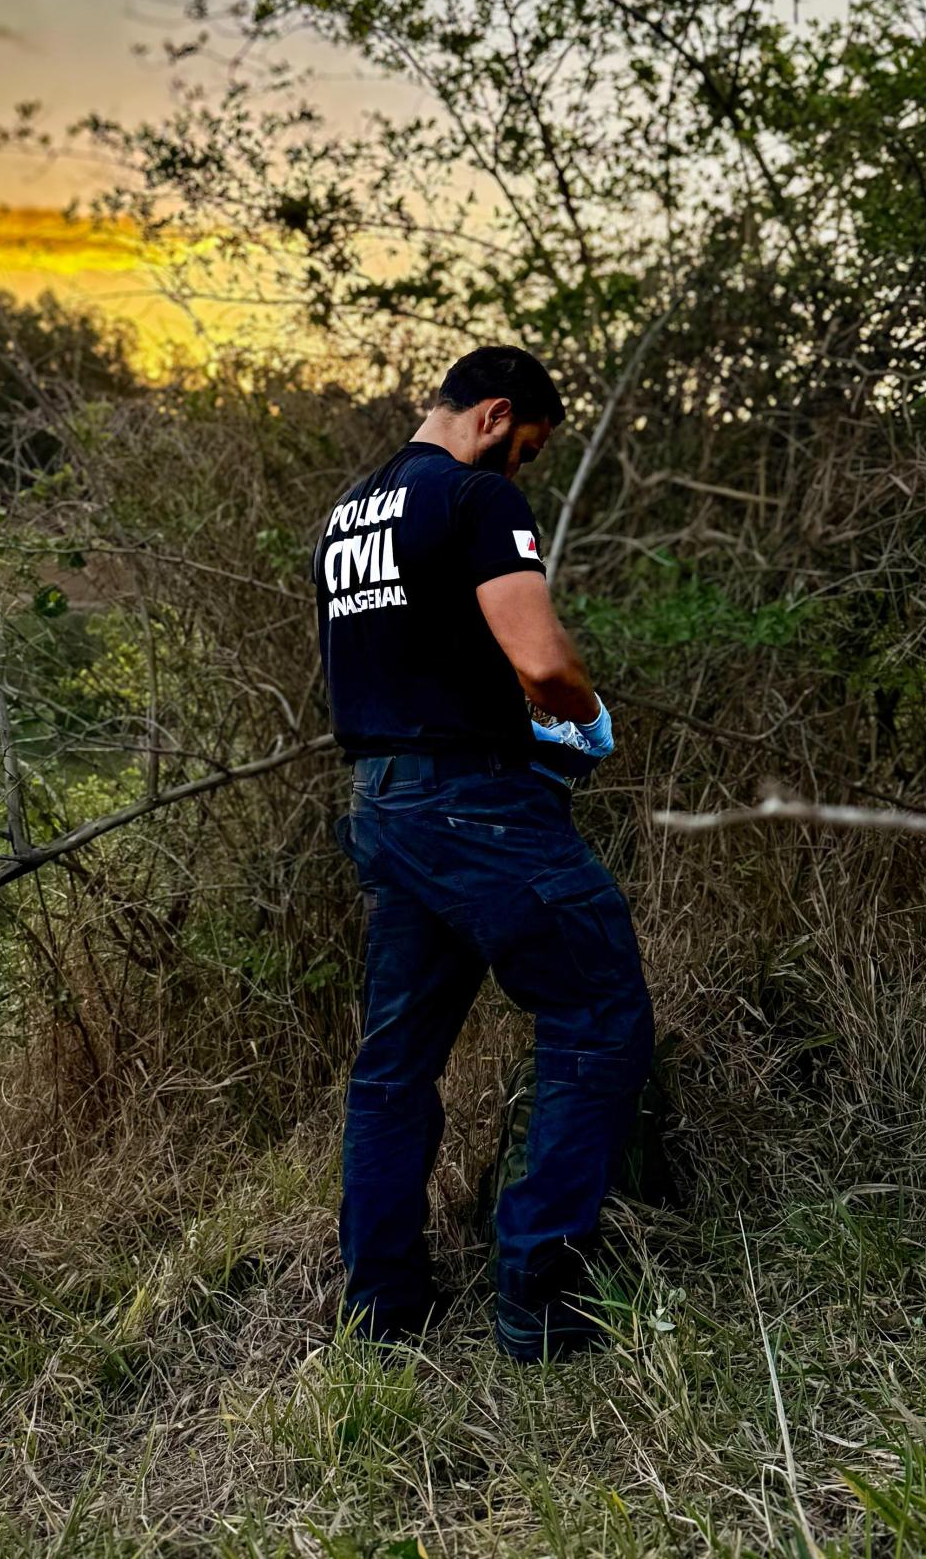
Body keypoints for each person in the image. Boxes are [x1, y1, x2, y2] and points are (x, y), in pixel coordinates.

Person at [312, 344, 655, 1362]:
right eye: (529, 451)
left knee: (392, 1068)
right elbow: (541, 660)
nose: (523, 475)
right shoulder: (473, 497)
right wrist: (582, 720)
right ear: (498, 415)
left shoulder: (348, 516)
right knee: (599, 1014)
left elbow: (406, 666)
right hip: (474, 810)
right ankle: (540, 1303)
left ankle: (383, 1310)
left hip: (384, 802)